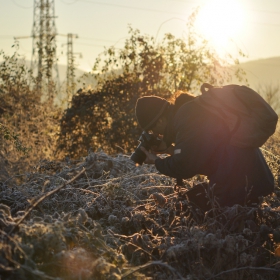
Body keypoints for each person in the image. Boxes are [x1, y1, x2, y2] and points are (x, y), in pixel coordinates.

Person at [134, 92, 275, 211]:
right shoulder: (187, 114)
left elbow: (184, 166)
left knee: (191, 209)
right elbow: (197, 156)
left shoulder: (187, 120)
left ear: (160, 121)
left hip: (240, 182)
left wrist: (156, 161)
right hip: (245, 177)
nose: (156, 135)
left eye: (152, 130)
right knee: (191, 201)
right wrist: (169, 150)